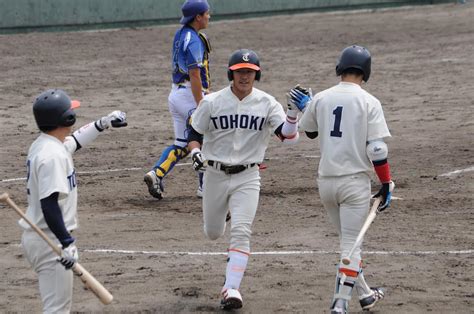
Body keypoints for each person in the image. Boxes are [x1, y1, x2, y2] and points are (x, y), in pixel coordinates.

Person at [187, 49, 304, 310]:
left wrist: (293, 113)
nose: (244, 76)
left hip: (249, 176)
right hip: (215, 174)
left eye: (249, 72)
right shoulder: (213, 102)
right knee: (213, 232)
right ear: (231, 73)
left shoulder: (267, 103)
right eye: (240, 71)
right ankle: (223, 214)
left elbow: (289, 137)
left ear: (256, 74)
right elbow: (193, 130)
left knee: (242, 231)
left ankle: (231, 289)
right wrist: (195, 151)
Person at [295, 45, 395, 313]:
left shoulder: (322, 98)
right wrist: (386, 183)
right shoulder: (369, 101)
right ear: (366, 71)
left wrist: (309, 107)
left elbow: (311, 132)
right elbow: (377, 150)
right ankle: (340, 303)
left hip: (325, 183)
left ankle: (365, 295)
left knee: (348, 244)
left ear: (340, 67)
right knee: (351, 245)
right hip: (353, 185)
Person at [20, 89, 127, 313]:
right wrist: (66, 243)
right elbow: (49, 204)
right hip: (49, 240)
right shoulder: (52, 156)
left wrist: (103, 123)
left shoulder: (45, 144)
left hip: (41, 236)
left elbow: (75, 141)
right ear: (65, 119)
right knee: (57, 309)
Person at [144, 0, 211, 199]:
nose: (209, 16)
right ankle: (204, 186)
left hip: (176, 95)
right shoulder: (194, 40)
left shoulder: (181, 33)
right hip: (190, 95)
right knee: (205, 137)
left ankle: (156, 173)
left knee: (182, 143)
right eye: (206, 13)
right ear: (197, 17)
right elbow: (195, 74)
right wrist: (201, 103)